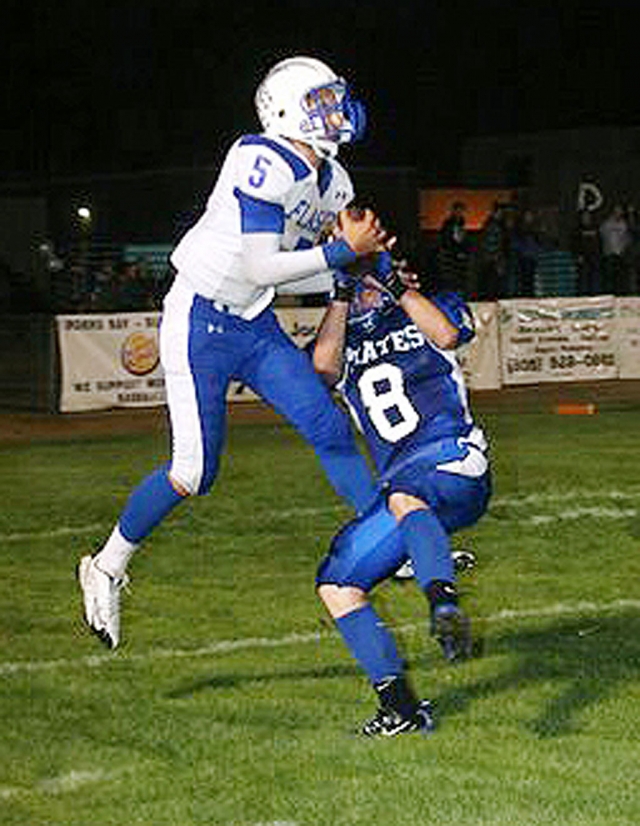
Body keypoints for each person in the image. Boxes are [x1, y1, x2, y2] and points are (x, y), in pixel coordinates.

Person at [78, 55, 388, 649]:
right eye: (322, 101)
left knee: (327, 424)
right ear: (286, 111)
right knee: (194, 472)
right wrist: (340, 256)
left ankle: (387, 538)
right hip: (198, 319)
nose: (337, 111)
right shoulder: (260, 157)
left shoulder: (335, 180)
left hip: (251, 319)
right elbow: (260, 263)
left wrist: (353, 261)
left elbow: (293, 267)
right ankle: (107, 564)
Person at [311, 234, 491, 737]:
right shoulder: (343, 336)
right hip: (406, 495)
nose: (370, 286)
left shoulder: (422, 309)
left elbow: (451, 334)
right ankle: (402, 708)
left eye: (377, 275)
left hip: (454, 461)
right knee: (336, 582)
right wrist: (341, 293)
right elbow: (322, 368)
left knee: (404, 493)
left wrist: (393, 284)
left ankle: (443, 603)